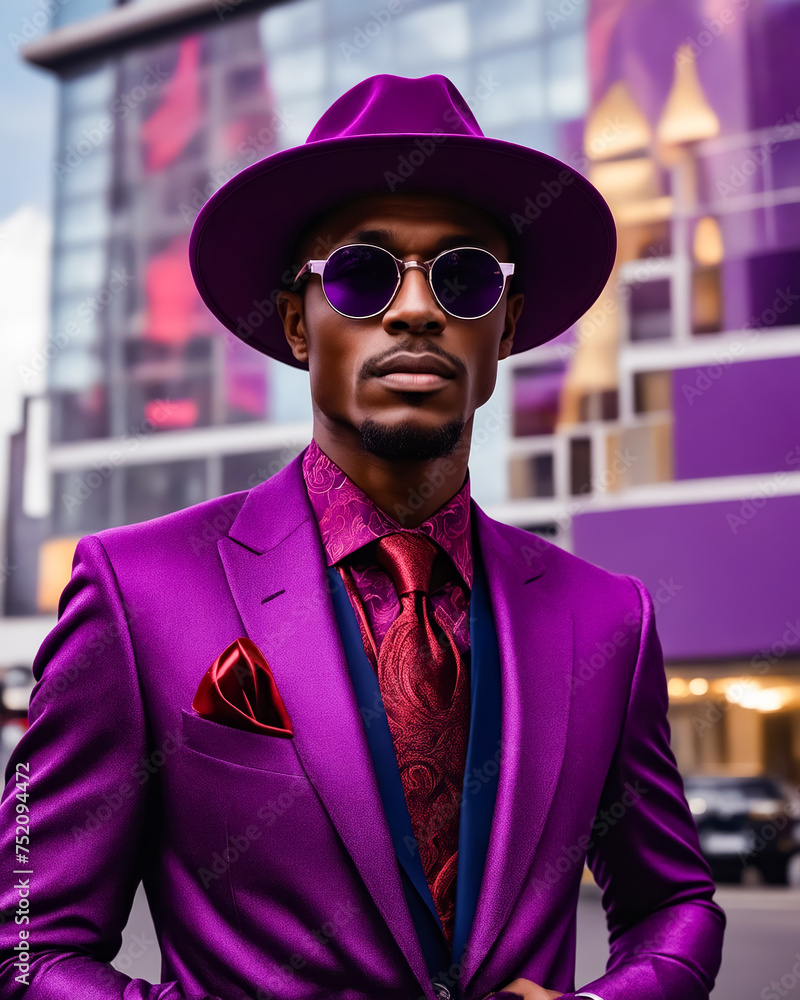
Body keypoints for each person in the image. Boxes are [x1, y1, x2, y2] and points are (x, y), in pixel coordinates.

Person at [0, 73, 725, 1000]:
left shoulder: (607, 620)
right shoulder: (137, 590)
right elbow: (26, 940)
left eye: (463, 277)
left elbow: (678, 903)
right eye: (363, 271)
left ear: (505, 326)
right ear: (300, 321)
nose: (417, 309)